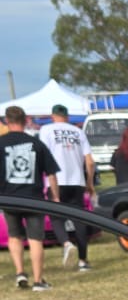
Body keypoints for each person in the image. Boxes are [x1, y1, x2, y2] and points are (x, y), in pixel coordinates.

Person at [1, 104, 61, 289]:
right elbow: (51, 174)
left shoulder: (1, 143)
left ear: (7, 121)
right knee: (35, 239)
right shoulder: (36, 144)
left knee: (14, 236)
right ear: (26, 120)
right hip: (34, 199)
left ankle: (20, 273)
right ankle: (38, 281)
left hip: (9, 198)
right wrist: (55, 197)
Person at [38, 104, 96, 271]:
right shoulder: (78, 131)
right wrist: (89, 183)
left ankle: (66, 243)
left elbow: (43, 155)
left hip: (56, 180)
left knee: (56, 217)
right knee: (79, 220)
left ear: (52, 116)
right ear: (67, 117)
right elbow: (90, 162)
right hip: (77, 181)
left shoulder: (46, 130)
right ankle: (83, 261)